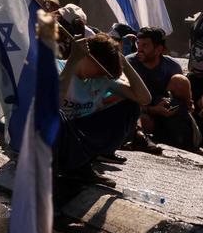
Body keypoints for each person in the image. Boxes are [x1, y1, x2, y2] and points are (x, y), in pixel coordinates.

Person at [56, 34, 151, 185]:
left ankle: (84, 162)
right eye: (100, 69)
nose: (101, 75)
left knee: (130, 106)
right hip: (56, 133)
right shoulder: (57, 67)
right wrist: (74, 59)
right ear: (87, 57)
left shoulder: (102, 79)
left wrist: (123, 61)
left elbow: (144, 98)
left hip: (80, 134)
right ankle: (69, 164)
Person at [126, 27, 201, 152]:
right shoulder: (129, 63)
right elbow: (124, 100)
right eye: (138, 44)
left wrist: (183, 106)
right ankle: (142, 139)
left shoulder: (172, 66)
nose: (139, 48)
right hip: (143, 112)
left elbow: (185, 99)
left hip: (168, 113)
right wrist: (153, 110)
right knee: (143, 120)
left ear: (159, 49)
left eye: (145, 45)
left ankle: (187, 137)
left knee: (180, 80)